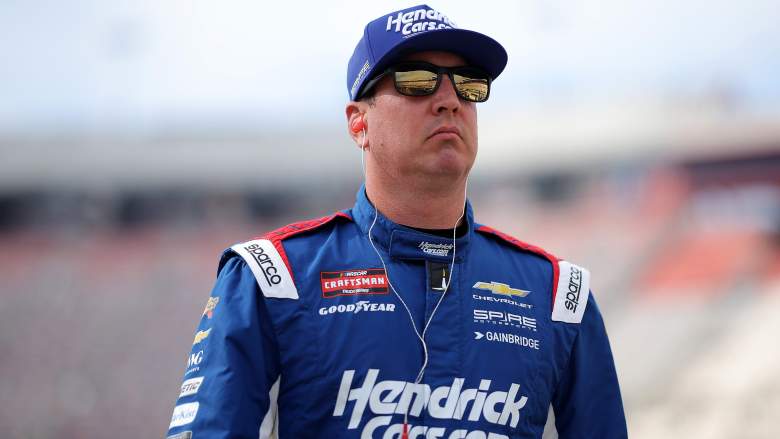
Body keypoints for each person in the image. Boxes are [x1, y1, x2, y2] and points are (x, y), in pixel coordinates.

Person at [166, 5, 627, 439]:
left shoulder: (558, 294)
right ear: (358, 123)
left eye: (469, 84)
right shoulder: (272, 277)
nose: (449, 100)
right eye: (416, 80)